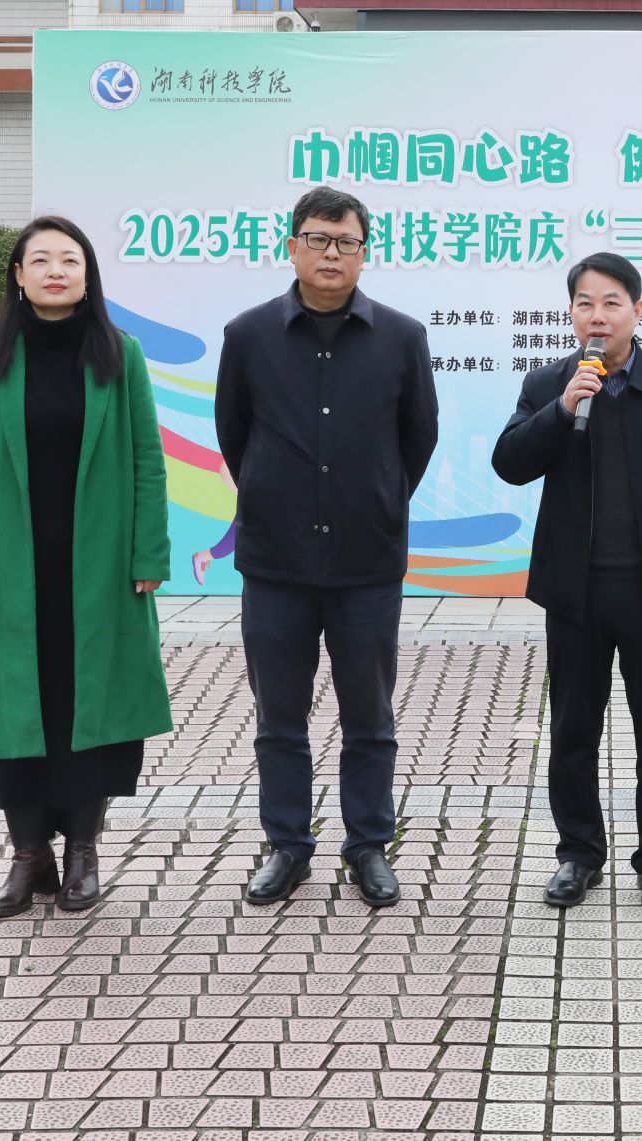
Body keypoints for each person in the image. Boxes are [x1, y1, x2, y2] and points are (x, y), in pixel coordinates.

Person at [0, 215, 173, 920]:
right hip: (10, 567)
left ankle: (82, 854)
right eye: (40, 260)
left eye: (69, 260)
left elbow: (147, 459)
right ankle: (28, 854)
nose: (55, 271)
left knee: (84, 709)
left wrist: (149, 552)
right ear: (18, 275)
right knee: (16, 713)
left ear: (87, 274)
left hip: (96, 567)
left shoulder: (118, 354)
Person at [214, 185, 438, 909]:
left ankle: (368, 844)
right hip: (275, 562)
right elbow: (234, 434)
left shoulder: (402, 337)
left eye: (346, 241)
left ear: (365, 252)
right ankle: (287, 844)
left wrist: (377, 498)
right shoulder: (248, 335)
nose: (332, 253)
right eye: (318, 238)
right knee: (279, 716)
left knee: (369, 715)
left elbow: (418, 437)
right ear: (292, 246)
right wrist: (273, 492)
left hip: (366, 562)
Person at [491, 252, 642, 914]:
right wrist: (561, 409)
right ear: (571, 312)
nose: (598, 316)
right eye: (585, 303)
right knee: (573, 729)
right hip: (574, 592)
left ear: (638, 311)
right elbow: (510, 463)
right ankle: (578, 854)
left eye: (612, 303)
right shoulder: (549, 382)